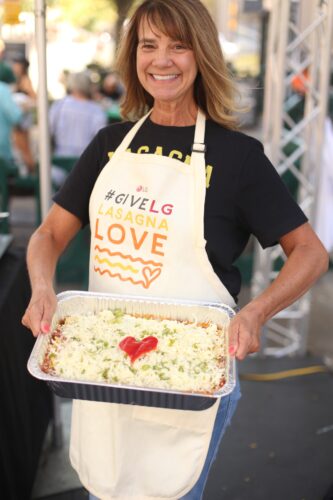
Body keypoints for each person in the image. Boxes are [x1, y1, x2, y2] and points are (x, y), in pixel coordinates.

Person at [22, 1, 328, 499]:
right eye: (149, 45)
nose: (161, 59)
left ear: (201, 55)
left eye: (178, 46)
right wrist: (41, 288)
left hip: (190, 370)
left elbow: (311, 252)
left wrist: (255, 313)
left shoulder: (239, 157)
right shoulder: (108, 144)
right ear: (133, 56)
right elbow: (49, 235)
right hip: (105, 367)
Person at [49, 71, 107, 158]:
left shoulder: (59, 105)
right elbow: (101, 139)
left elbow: (48, 131)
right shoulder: (96, 110)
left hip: (60, 160)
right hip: (86, 160)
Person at [11, 55, 37, 172]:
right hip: (19, 120)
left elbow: (33, 99)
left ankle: (32, 174)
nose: (14, 67)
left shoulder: (25, 81)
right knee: (20, 148)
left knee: (24, 149)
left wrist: (22, 105)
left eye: (16, 64)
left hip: (23, 120)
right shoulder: (18, 80)